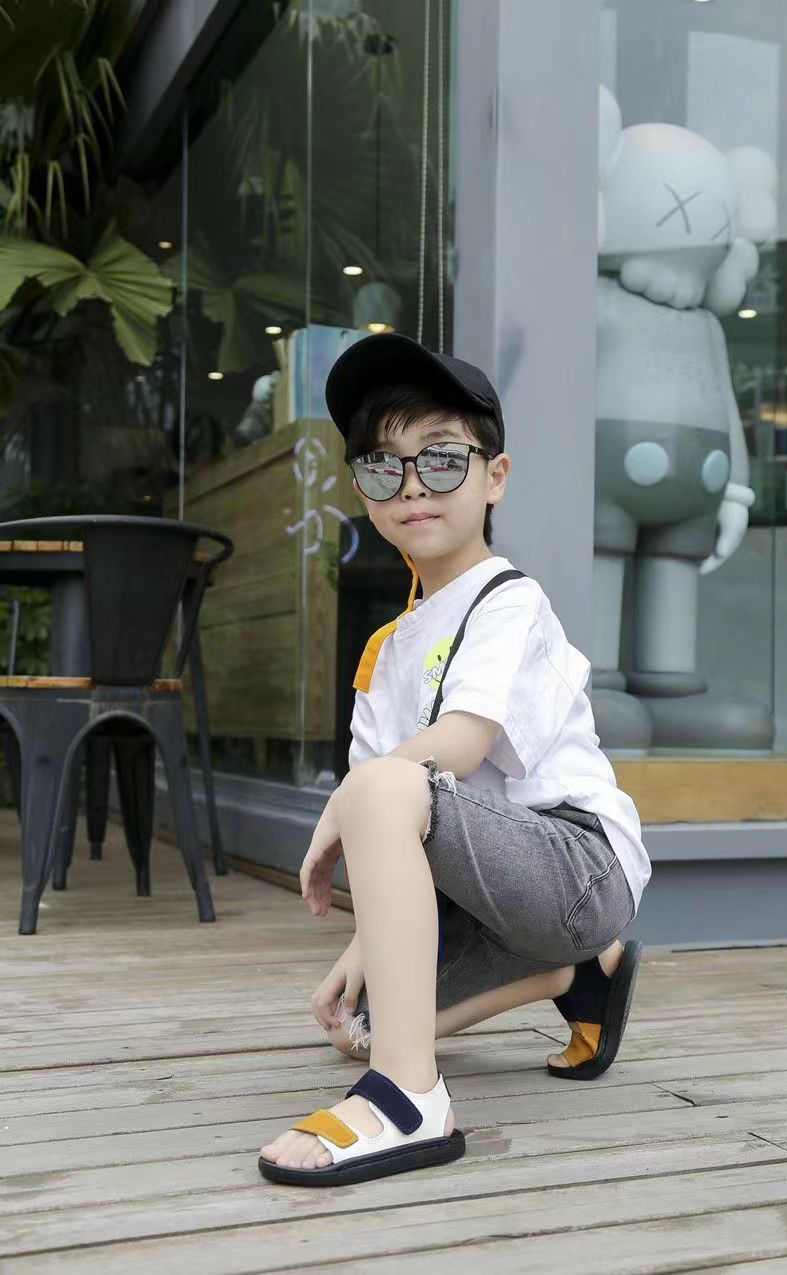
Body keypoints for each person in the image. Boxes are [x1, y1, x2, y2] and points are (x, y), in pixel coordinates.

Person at [258, 333, 651, 1188]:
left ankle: (409, 1098)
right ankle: (578, 974)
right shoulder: (385, 652)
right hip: (485, 891)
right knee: (361, 1020)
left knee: (380, 786)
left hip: (576, 865)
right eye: (381, 466)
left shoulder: (508, 598)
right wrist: (362, 946)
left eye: (440, 460)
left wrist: (344, 804)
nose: (410, 486)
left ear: (494, 476)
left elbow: (458, 746)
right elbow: (394, 827)